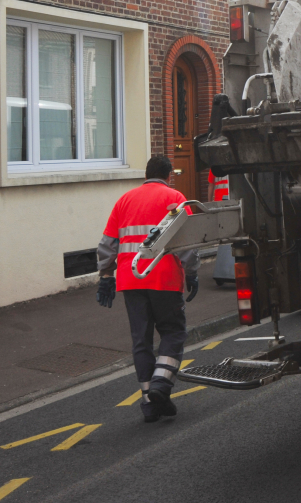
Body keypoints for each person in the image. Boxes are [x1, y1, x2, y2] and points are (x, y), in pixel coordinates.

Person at [96, 155, 200, 423]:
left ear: (146, 174)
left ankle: (150, 405)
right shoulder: (175, 198)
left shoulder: (125, 200)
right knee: (173, 332)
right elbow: (186, 243)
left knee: (141, 340)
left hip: (131, 281)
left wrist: (106, 275)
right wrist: (192, 272)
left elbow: (108, 244)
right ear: (168, 176)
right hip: (164, 279)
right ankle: (161, 387)